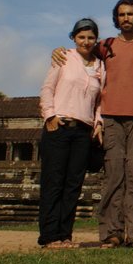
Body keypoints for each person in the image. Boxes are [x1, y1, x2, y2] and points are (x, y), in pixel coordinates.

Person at [52, 0, 133, 248]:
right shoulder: (106, 45)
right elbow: (82, 52)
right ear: (117, 18)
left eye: (130, 14)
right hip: (111, 117)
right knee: (113, 176)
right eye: (122, 14)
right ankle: (111, 233)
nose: (126, 18)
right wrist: (58, 51)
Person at [39, 18, 105, 249]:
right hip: (59, 126)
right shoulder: (63, 57)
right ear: (73, 38)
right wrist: (50, 116)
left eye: (90, 37)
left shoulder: (100, 66)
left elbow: (100, 100)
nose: (86, 42)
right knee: (53, 182)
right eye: (81, 37)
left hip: (83, 132)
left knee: (73, 185)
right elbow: (47, 88)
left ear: (96, 40)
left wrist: (98, 123)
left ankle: (65, 235)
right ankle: (49, 236)